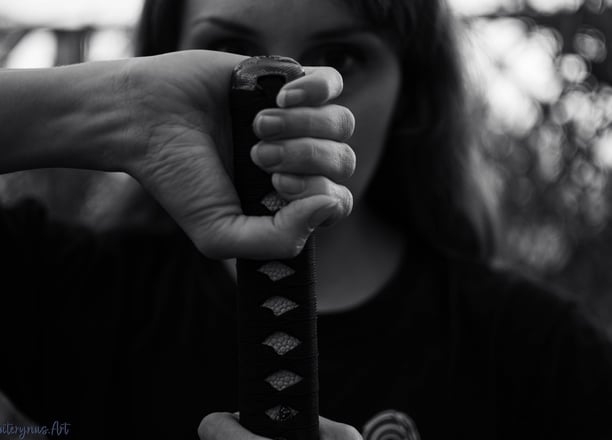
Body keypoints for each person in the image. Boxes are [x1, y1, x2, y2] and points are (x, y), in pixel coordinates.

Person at [1, 1, 611, 440]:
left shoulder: (540, 356)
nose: (280, 98)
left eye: (341, 56)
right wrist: (115, 106)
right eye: (231, 55)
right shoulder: (71, 296)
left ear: (414, 95)